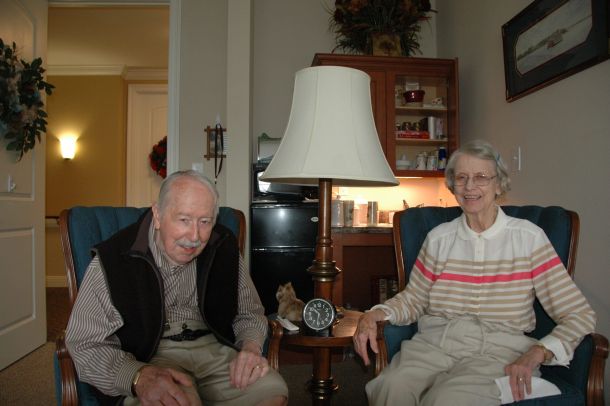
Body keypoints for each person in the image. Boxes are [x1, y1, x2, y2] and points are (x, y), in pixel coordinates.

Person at [353, 140, 596, 406]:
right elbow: (413, 300)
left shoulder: (528, 238)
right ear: (452, 185)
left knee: (446, 400)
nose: (470, 186)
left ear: (499, 184)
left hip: (499, 352)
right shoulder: (439, 238)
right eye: (461, 178)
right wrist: (374, 314)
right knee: (391, 387)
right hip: (434, 344)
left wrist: (539, 351)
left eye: (481, 177)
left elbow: (579, 315)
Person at [65, 170, 288, 406]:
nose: (194, 236)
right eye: (184, 220)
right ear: (158, 215)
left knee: (273, 391)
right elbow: (84, 342)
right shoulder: (114, 258)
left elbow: (249, 312)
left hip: (214, 349)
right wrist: (136, 376)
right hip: (148, 356)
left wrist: (250, 348)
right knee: (179, 402)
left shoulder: (223, 245)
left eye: (205, 222)